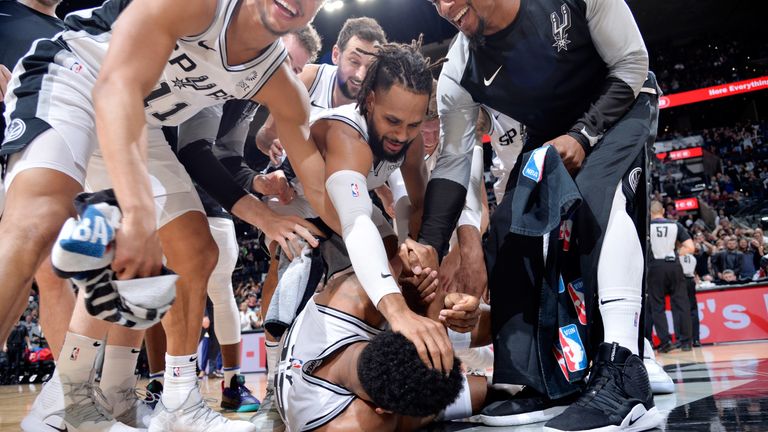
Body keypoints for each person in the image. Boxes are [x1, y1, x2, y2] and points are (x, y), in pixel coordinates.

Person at [1, 0, 324, 430]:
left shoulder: (278, 81)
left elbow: (320, 186)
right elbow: (117, 85)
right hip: (79, 74)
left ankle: (165, 403)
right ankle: (72, 398)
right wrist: (135, 211)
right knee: (38, 223)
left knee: (195, 250)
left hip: (141, 121)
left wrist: (380, 247)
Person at [416, 1, 663, 430]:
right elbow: (453, 161)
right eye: (434, 0)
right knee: (510, 226)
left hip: (621, 101)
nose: (445, 6)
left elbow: (631, 63)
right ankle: (545, 383)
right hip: (550, 131)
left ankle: (626, 371)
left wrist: (583, 135)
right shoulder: (459, 66)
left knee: (594, 194)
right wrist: (429, 247)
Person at [276, 263, 489, 431]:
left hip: (328, 350)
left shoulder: (352, 298)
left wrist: (438, 301)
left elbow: (420, 254)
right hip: (326, 408)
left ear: (401, 331)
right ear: (384, 410)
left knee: (486, 324)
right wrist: (428, 306)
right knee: (489, 392)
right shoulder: (356, 423)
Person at [648, 200, 695, 353]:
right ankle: (686, 342)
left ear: (650, 212)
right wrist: (675, 254)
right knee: (681, 303)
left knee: (657, 306)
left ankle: (665, 342)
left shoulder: (646, 226)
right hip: (673, 265)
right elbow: (691, 247)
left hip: (655, 266)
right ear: (662, 211)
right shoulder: (676, 225)